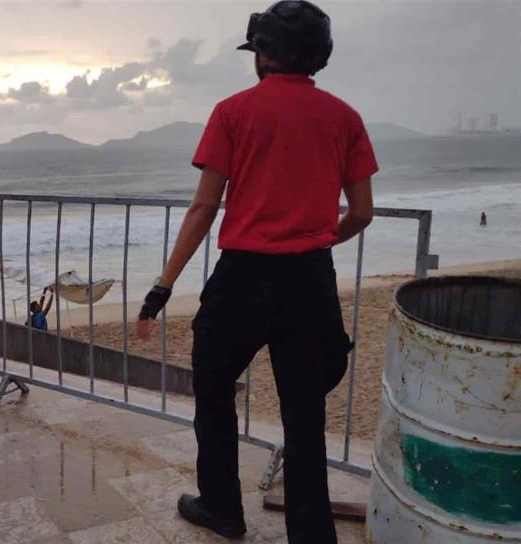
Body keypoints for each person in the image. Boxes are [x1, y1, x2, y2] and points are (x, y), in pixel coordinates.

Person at [136, 2, 377, 543]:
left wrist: (164, 284)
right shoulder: (345, 118)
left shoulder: (232, 112)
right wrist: (314, 241)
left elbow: (203, 209)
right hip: (310, 280)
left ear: (263, 54)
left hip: (242, 279)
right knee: (305, 416)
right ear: (319, 55)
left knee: (215, 393)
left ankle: (223, 510)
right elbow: (361, 212)